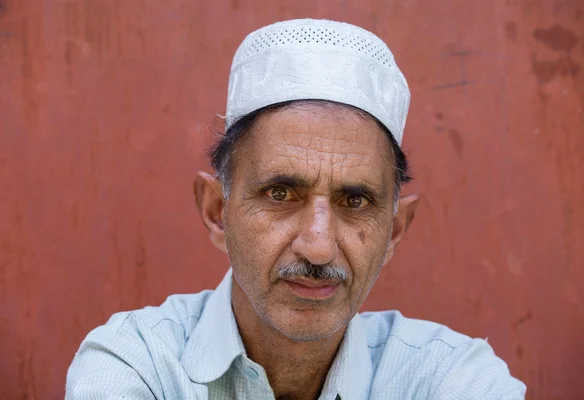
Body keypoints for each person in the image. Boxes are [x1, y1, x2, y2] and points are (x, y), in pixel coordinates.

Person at [66, 19, 526, 400]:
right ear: (216, 212)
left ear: (395, 232)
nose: (319, 247)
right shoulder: (137, 364)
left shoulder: (449, 377)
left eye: (355, 201)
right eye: (281, 194)